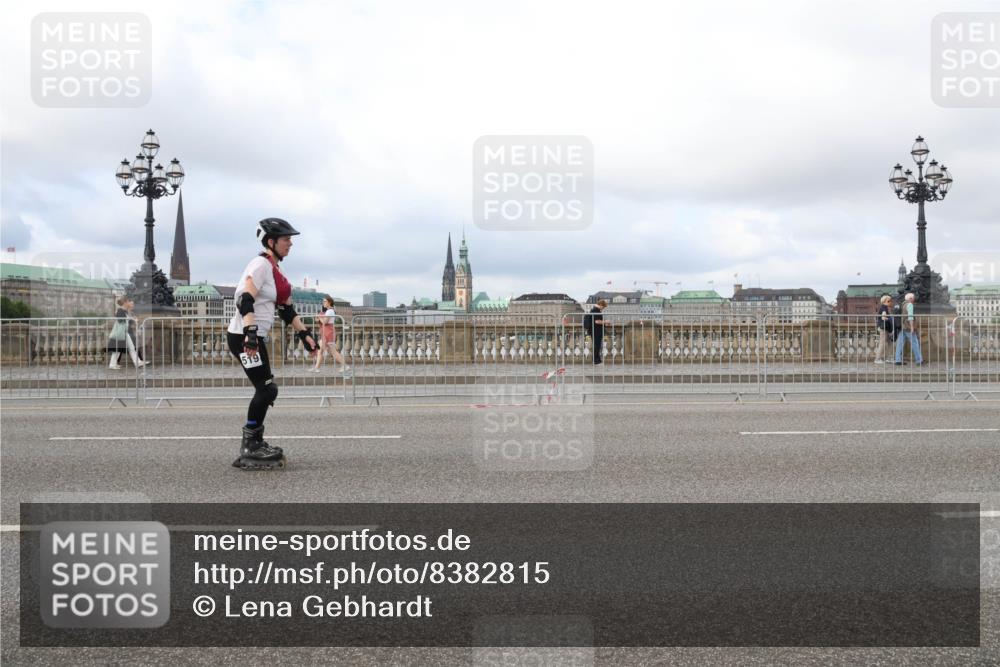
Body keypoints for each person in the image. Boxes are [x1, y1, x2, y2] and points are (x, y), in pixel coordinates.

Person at [227, 218, 317, 470]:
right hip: (243, 337)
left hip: (252, 337)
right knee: (266, 389)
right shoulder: (260, 265)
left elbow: (286, 310)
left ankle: (254, 442)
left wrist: (305, 335)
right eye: (286, 239)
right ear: (271, 241)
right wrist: (251, 333)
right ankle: (250, 446)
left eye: (290, 239)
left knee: (266, 388)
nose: (290, 243)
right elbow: (245, 298)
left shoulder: (276, 270)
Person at [311, 295, 349, 373]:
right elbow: (323, 321)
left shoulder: (330, 311)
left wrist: (319, 316)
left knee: (333, 352)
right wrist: (320, 317)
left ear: (329, 302)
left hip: (328, 332)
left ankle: (345, 365)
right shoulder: (329, 311)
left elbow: (325, 322)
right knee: (320, 350)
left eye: (325, 301)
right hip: (326, 332)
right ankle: (316, 368)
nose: (323, 303)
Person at [107, 297, 148, 369]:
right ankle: (112, 364)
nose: (130, 303)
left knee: (131, 348)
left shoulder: (124, 311)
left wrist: (132, 319)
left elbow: (128, 321)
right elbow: (120, 320)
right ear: (125, 302)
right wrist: (130, 318)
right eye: (128, 301)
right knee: (119, 349)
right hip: (120, 333)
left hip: (124, 332)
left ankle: (137, 362)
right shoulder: (120, 310)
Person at [894, 292, 923, 366]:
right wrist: (912, 327)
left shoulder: (902, 304)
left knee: (900, 344)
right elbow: (910, 317)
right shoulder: (909, 305)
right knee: (915, 343)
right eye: (913, 299)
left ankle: (897, 360)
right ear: (910, 299)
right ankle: (919, 360)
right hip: (908, 327)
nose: (914, 300)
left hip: (902, 326)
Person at [583, 299, 608, 365]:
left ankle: (597, 360)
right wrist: (605, 322)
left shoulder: (594, 310)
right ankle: (596, 361)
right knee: (597, 346)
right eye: (603, 307)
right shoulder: (595, 310)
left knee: (597, 346)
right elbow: (597, 321)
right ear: (600, 305)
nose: (603, 308)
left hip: (594, 330)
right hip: (596, 331)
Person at [874, 294, 893, 364]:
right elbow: (883, 317)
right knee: (882, 343)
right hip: (884, 328)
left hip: (886, 328)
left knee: (889, 343)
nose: (890, 302)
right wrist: (890, 318)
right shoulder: (884, 308)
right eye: (889, 301)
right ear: (885, 301)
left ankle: (888, 358)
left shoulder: (884, 307)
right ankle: (877, 359)